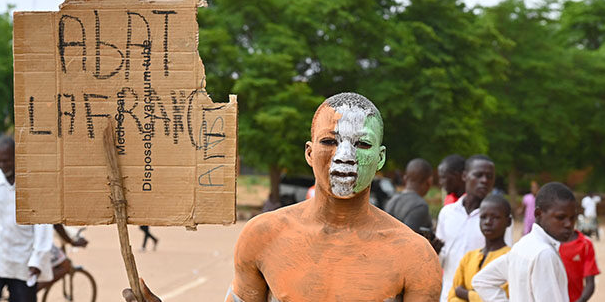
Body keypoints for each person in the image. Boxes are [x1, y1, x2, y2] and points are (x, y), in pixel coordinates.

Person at [123, 92, 442, 302]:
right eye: (330, 141)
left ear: (381, 158)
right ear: (309, 152)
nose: (345, 156)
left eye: (361, 145)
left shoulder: (414, 255)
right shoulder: (264, 235)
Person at [472, 182, 577, 302]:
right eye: (560, 217)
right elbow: (482, 281)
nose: (569, 224)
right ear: (538, 214)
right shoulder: (544, 254)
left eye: (572, 218)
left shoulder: (522, 245)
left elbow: (482, 281)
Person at [0, 136, 53, 302]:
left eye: (6, 161)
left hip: (24, 262)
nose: (2, 165)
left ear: (17, 157)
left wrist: (38, 260)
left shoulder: (34, 184)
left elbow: (43, 225)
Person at [435, 155, 512, 302]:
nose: (484, 180)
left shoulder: (500, 217)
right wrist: (434, 251)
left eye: (489, 176)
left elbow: (503, 263)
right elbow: (441, 261)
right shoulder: (447, 213)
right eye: (478, 175)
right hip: (449, 295)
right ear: (465, 176)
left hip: (483, 297)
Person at [447, 195, 511, 302]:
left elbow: (503, 298)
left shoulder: (511, 259)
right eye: (483, 217)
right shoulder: (468, 258)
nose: (488, 222)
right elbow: (452, 296)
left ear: (508, 221)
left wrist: (466, 294)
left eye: (495, 217)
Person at [385, 158, 433, 233]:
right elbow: (408, 239)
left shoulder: (392, 200)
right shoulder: (420, 206)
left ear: (405, 178)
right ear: (429, 181)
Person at [559, 229, 600, 302]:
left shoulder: (585, 244)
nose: (567, 223)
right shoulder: (544, 243)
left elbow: (590, 283)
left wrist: (581, 300)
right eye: (560, 217)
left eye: (572, 218)